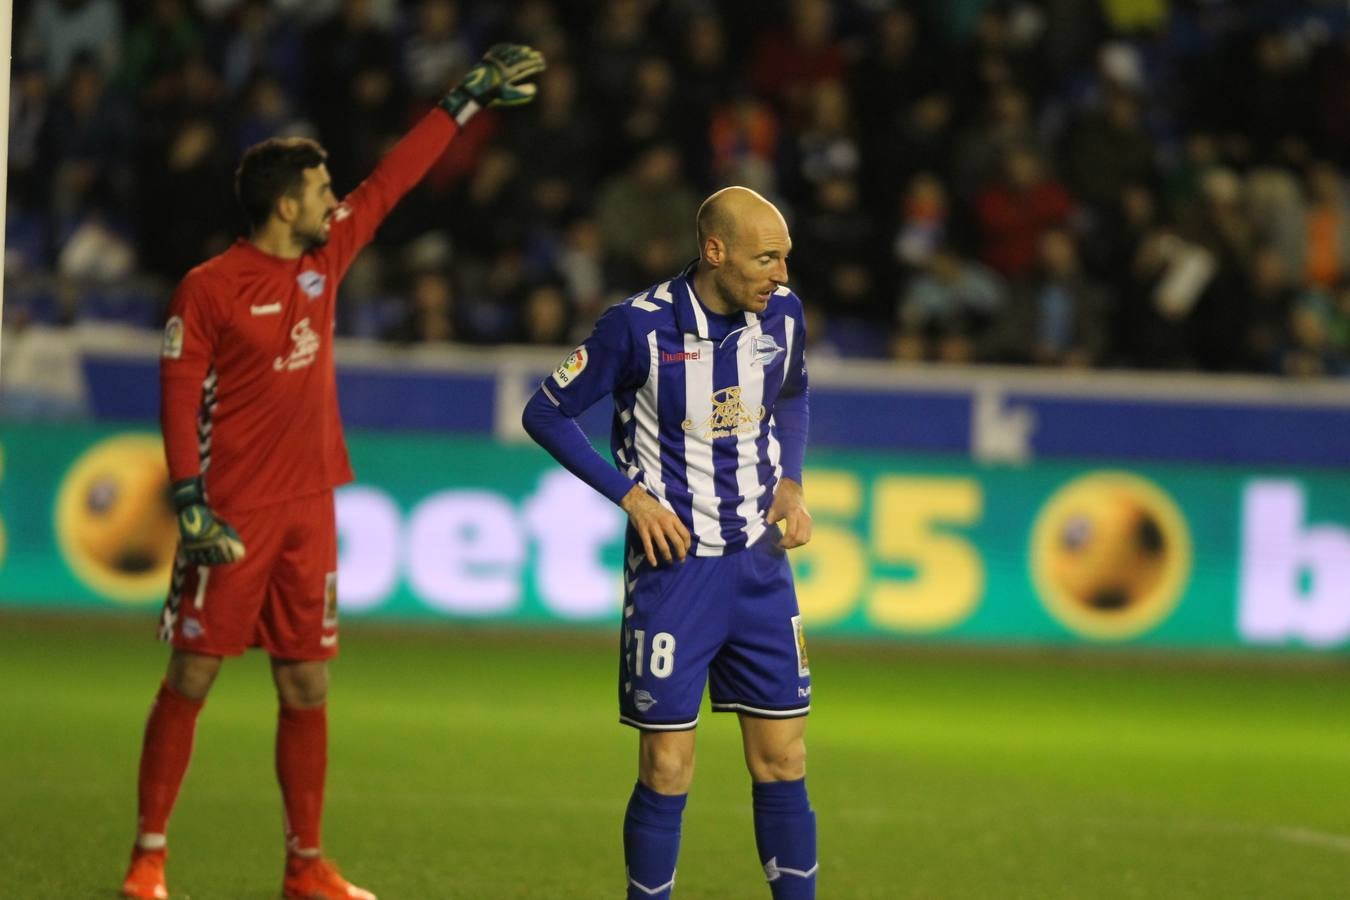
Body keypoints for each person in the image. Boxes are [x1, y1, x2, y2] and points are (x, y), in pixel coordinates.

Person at [119, 43, 546, 900]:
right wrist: (190, 502)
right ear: (285, 204)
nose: (334, 200)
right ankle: (150, 855)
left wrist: (461, 101)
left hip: (310, 505)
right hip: (231, 512)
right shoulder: (208, 289)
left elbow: (393, 181)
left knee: (307, 680)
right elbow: (176, 397)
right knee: (192, 674)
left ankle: (305, 867)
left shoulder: (325, 260)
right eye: (320, 190)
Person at [522, 186, 819, 899]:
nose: (781, 275)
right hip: (674, 574)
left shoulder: (782, 315)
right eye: (766, 258)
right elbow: (547, 411)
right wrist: (629, 496)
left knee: (783, 758)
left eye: (784, 258)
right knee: (666, 767)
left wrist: (793, 482)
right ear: (714, 251)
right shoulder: (638, 328)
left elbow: (794, 394)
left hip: (760, 567)